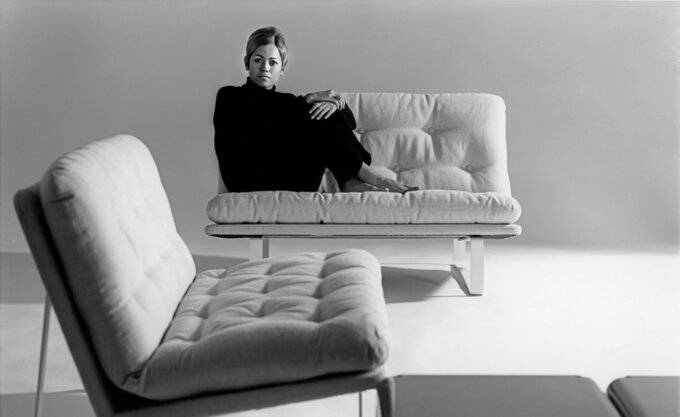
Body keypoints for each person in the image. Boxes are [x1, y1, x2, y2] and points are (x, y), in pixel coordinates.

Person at [214, 26, 419, 193]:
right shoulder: (228, 97)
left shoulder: (291, 105)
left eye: (273, 62)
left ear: (282, 69)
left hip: (293, 180)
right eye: (258, 60)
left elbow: (350, 123)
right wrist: (310, 99)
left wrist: (334, 103)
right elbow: (264, 110)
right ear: (247, 63)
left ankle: (350, 181)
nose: (265, 68)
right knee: (314, 113)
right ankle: (369, 178)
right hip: (246, 180)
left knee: (320, 114)